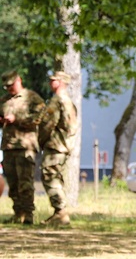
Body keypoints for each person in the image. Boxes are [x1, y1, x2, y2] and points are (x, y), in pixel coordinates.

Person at [1, 70, 45, 225]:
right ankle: (17, 213)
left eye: (11, 85)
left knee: (25, 182)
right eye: (6, 87)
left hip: (25, 146)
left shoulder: (32, 98)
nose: (9, 89)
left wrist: (17, 119)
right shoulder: (5, 100)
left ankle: (28, 215)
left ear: (18, 80)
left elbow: (39, 117)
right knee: (12, 183)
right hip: (8, 147)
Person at [38, 71, 79, 226]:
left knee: (50, 176)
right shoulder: (68, 101)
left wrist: (40, 140)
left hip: (55, 145)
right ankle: (58, 212)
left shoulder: (57, 101)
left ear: (61, 82)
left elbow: (47, 125)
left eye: (53, 80)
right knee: (54, 176)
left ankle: (60, 212)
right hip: (63, 145)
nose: (50, 83)